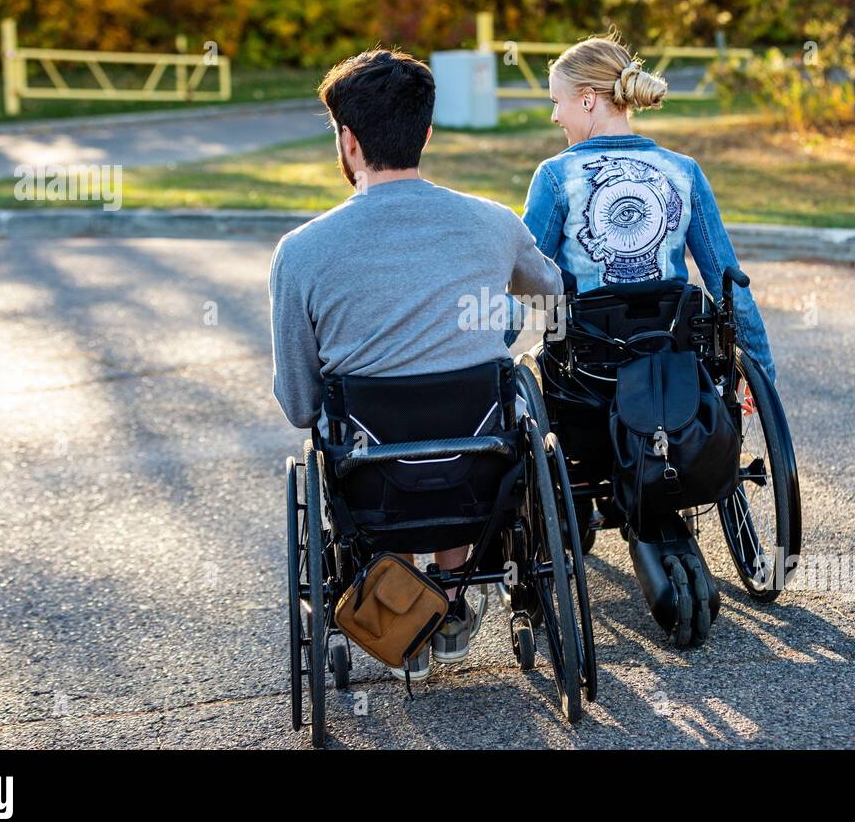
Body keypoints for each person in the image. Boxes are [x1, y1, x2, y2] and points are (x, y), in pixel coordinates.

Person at [269, 49, 562, 681]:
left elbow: (298, 402)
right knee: (474, 396)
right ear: (426, 133)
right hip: (479, 480)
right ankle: (455, 594)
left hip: (373, 485)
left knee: (365, 436)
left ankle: (397, 603)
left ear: (348, 143)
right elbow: (550, 295)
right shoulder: (492, 223)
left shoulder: (301, 252)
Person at [511, 34, 775, 383]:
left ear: (588, 100)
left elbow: (524, 284)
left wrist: (481, 360)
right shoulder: (684, 171)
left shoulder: (556, 176)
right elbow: (728, 282)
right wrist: (762, 374)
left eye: (557, 102)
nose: (555, 116)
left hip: (587, 370)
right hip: (672, 360)